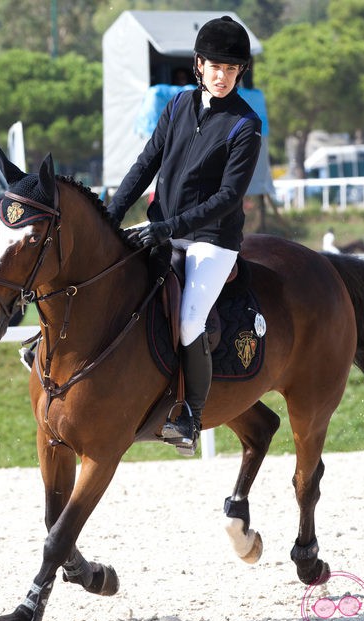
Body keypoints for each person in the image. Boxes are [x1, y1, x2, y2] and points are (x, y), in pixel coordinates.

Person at [108, 16, 262, 456]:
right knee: (107, 267)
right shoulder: (177, 106)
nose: (222, 77)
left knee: (190, 319)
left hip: (212, 241)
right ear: (199, 64)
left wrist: (168, 228)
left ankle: (190, 415)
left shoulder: (245, 126)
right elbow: (144, 164)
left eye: (231, 70)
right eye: (215, 67)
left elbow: (230, 197)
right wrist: (113, 213)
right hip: (164, 227)